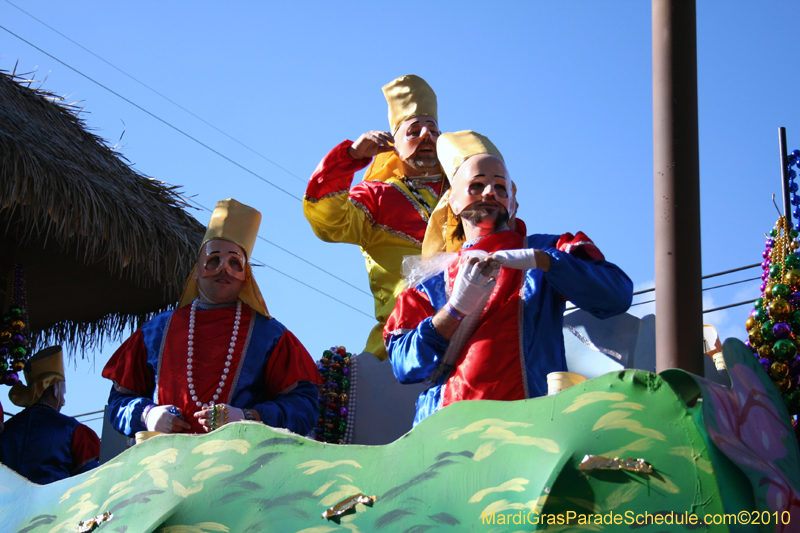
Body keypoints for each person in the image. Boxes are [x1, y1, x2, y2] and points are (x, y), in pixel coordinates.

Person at [385, 131, 633, 425]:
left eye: (501, 187)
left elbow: (616, 295)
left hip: (532, 428)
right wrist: (454, 310)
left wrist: (545, 261)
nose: (490, 192)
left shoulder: (553, 249)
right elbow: (406, 367)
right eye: (476, 185)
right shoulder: (429, 285)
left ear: (513, 203)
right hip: (446, 435)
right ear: (452, 201)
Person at [103, 199, 322, 436]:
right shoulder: (155, 331)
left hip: (242, 465)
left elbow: (305, 407)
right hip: (164, 465)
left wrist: (248, 417)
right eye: (214, 260)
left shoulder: (270, 335)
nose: (223, 268)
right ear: (196, 272)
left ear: (245, 275)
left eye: (234, 262)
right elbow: (119, 401)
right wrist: (147, 415)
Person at [304, 74, 447, 360]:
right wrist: (350, 157)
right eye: (414, 130)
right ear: (394, 144)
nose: (426, 136)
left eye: (433, 129)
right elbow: (328, 221)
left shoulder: (467, 194)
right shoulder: (377, 196)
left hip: (475, 330)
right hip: (405, 341)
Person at [0, 346, 100, 484]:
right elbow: (90, 482)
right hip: (56, 504)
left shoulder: (5, 430)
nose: (63, 402)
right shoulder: (73, 430)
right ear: (55, 390)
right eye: (63, 394)